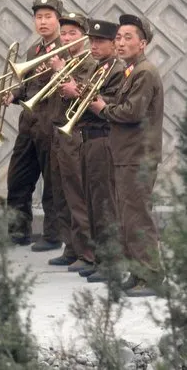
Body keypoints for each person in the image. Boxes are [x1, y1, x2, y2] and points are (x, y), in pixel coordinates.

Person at [89, 14, 163, 297]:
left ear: (142, 43)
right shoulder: (133, 70)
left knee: (137, 217)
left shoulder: (144, 72)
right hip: (127, 154)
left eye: (127, 37)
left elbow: (132, 112)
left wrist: (101, 109)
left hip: (137, 156)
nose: (120, 42)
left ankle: (152, 276)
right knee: (128, 217)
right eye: (118, 37)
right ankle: (138, 272)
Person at [57, 19, 125, 277]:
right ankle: (99, 259)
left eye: (100, 42)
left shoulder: (116, 70)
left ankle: (111, 263)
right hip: (87, 139)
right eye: (92, 41)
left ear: (112, 43)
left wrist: (79, 93)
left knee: (104, 203)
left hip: (103, 138)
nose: (94, 45)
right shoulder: (100, 67)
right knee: (93, 202)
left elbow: (113, 102)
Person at [3, 0, 63, 251]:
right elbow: (29, 87)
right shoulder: (33, 51)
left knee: (52, 182)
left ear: (58, 19)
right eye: (39, 17)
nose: (43, 22)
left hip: (51, 125)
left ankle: (52, 235)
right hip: (29, 124)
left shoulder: (66, 49)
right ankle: (18, 232)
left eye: (48, 17)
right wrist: (15, 95)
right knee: (17, 179)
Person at [47, 12, 94, 267]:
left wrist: (60, 71)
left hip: (75, 135)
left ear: (84, 37)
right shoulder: (64, 60)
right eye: (63, 33)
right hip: (57, 132)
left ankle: (86, 252)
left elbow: (77, 93)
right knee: (61, 194)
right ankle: (70, 246)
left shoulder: (88, 62)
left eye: (72, 33)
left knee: (77, 193)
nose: (66, 37)